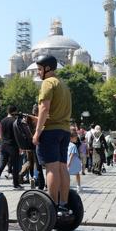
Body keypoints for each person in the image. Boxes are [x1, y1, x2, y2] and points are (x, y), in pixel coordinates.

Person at [32, 55, 72, 216]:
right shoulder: (63, 84)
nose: (38, 72)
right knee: (63, 168)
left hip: (50, 131)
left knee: (52, 169)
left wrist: (37, 132)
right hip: (64, 130)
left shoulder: (48, 83)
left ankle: (52, 206)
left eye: (40, 69)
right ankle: (63, 204)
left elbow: (44, 109)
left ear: (47, 69)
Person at [0, 105, 24, 191]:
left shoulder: (2, 121)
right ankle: (16, 184)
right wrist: (20, 146)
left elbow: (0, 135)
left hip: (3, 145)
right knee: (15, 165)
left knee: (1, 164)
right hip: (13, 145)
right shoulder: (15, 121)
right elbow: (17, 135)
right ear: (15, 112)